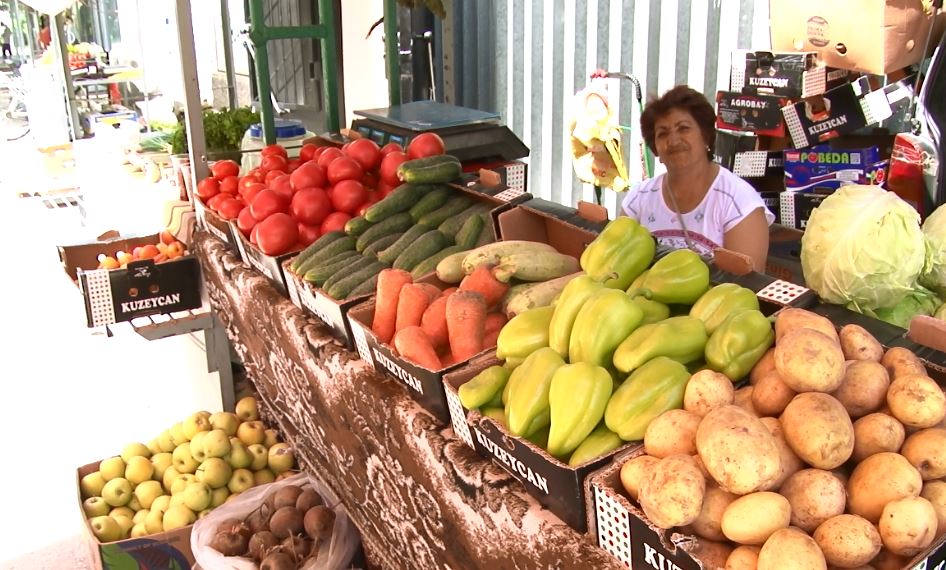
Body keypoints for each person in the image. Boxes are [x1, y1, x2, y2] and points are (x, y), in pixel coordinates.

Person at [621, 85, 774, 271]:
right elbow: (617, 264)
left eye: (683, 128)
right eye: (663, 133)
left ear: (706, 137)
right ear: (655, 149)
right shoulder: (639, 199)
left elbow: (744, 284)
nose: (673, 140)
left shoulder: (739, 204)